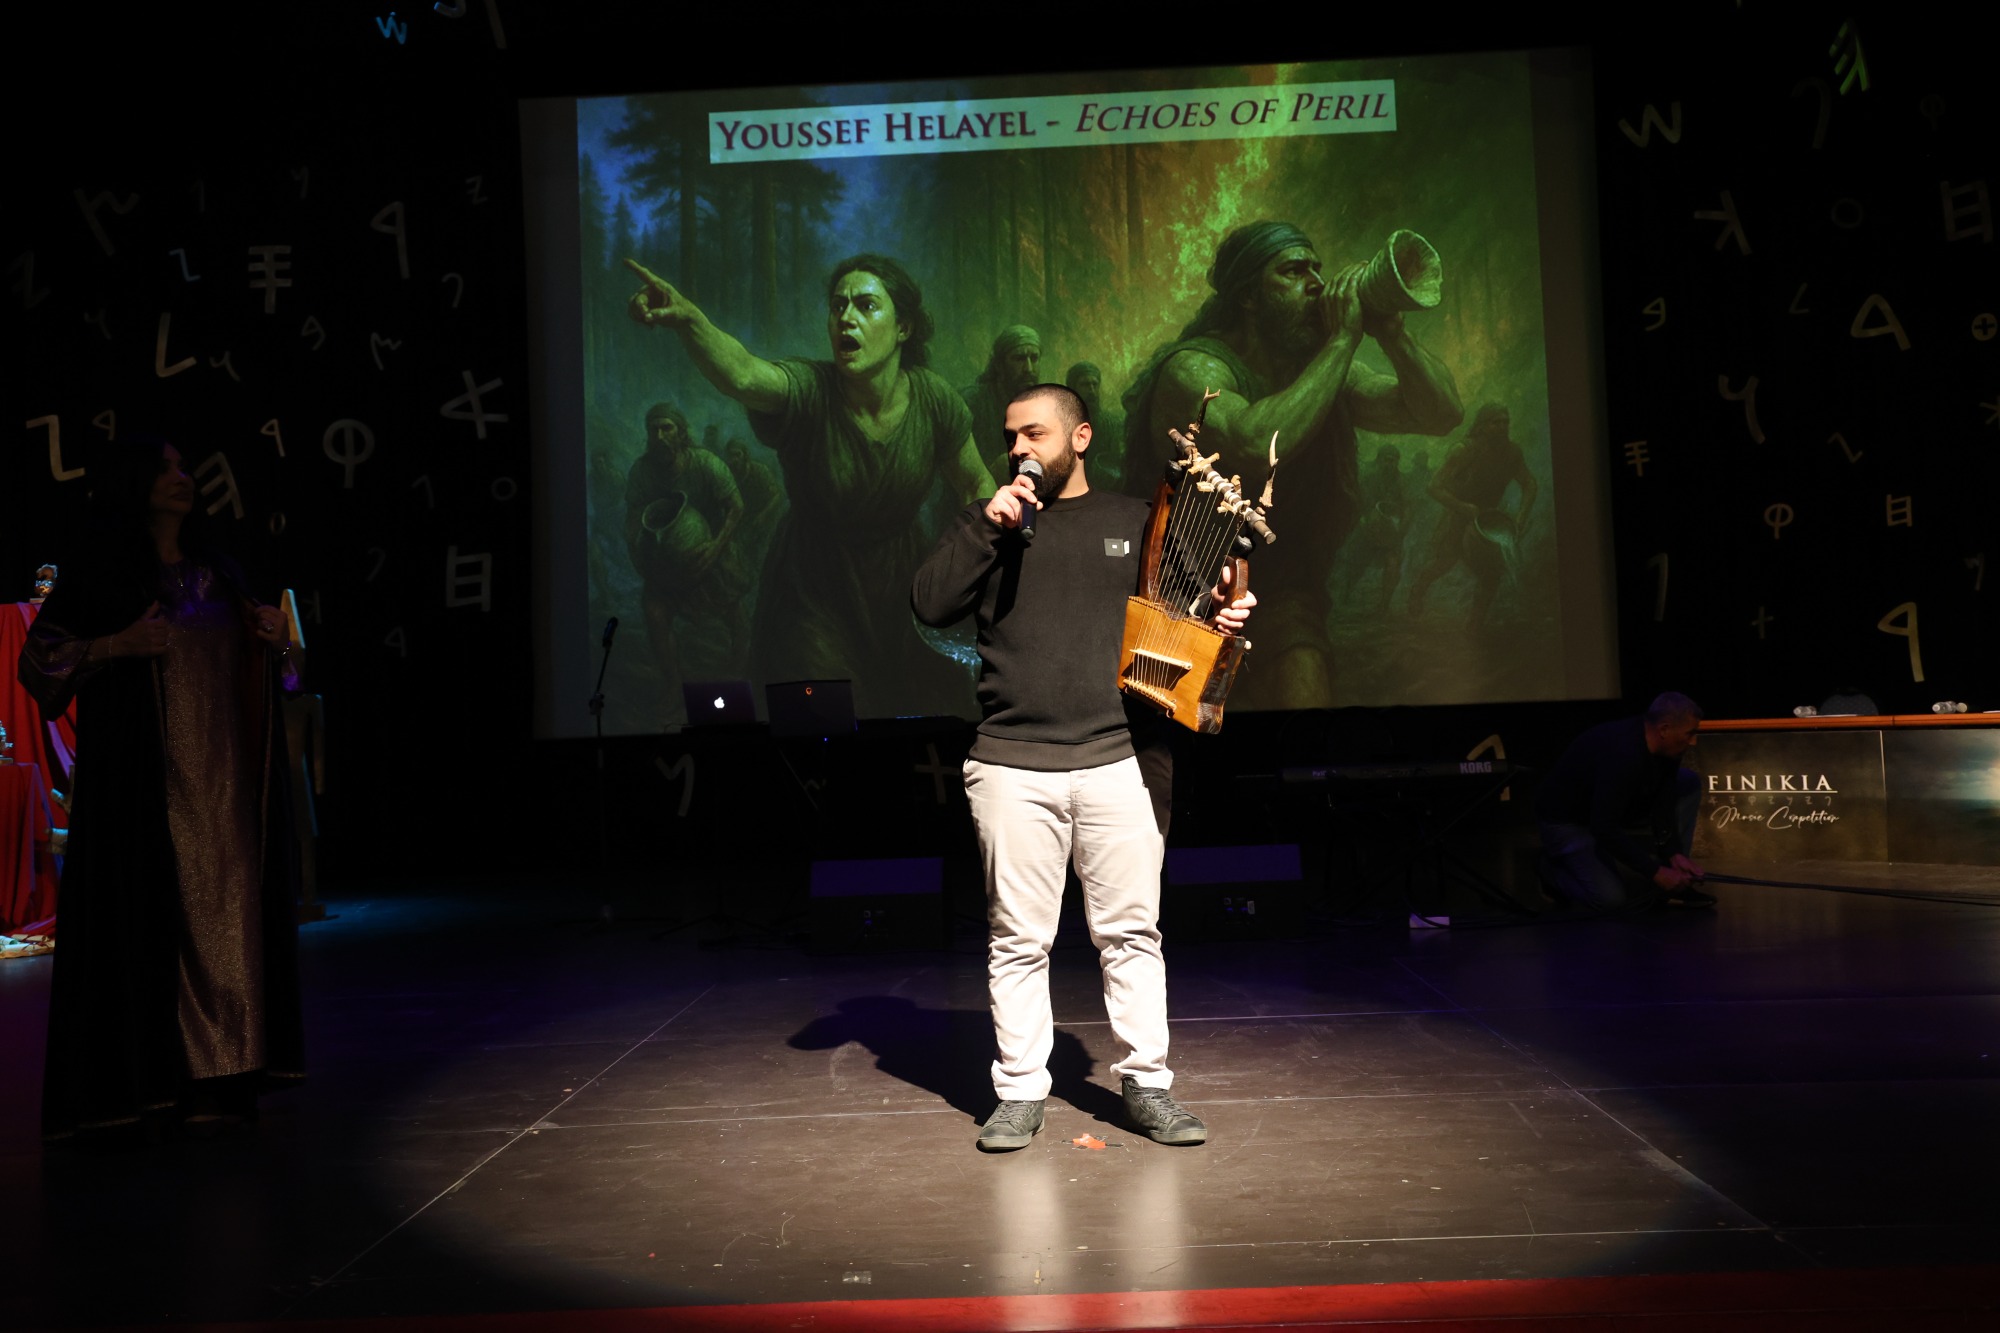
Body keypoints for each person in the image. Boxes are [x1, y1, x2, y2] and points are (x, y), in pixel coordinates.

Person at [912, 384, 1255, 1152]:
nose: (1019, 449)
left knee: (1132, 932)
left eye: (1034, 433)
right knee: (1017, 939)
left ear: (1081, 437)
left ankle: (1148, 1086)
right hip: (1011, 762)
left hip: (1117, 756)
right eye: (1011, 436)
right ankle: (1019, 1092)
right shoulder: (987, 521)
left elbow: (1195, 611)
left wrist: (1226, 614)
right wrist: (990, 526)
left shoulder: (1135, 519)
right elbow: (930, 604)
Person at [18, 438, 305, 1141]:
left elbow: (283, 674)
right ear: (136, 482)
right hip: (149, 793)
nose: (183, 477)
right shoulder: (107, 576)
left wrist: (275, 640)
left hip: (225, 792)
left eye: (183, 467)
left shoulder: (220, 574)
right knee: (154, 926)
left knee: (230, 928)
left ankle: (228, 1076)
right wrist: (114, 645)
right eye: (168, 467)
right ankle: (164, 1082)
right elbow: (39, 662)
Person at [627, 253, 991, 717]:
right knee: (823, 714)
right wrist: (688, 319)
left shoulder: (933, 398)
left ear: (903, 327)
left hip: (903, 583)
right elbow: (742, 373)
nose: (846, 318)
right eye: (838, 306)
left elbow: (975, 481)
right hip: (814, 586)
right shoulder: (810, 389)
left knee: (916, 705)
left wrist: (974, 558)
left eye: (865, 306)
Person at [1122, 221, 1461, 707]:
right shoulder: (1194, 368)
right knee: (1178, 731)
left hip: (1280, 584)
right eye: (1294, 271)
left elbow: (1441, 414)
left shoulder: (1316, 368)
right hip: (1182, 585)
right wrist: (1342, 341)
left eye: (1317, 269)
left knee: (1305, 701)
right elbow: (1256, 442)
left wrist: (1392, 332)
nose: (1317, 283)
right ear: (1249, 297)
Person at [1536, 692, 1714, 911]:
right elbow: (1603, 826)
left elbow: (1664, 800)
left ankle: (1676, 877)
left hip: (1608, 806)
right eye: (1690, 733)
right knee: (1610, 900)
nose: (1693, 741)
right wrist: (1654, 872)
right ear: (1664, 730)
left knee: (1687, 782)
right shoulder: (1622, 755)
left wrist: (1673, 853)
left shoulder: (1666, 749)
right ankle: (1551, 871)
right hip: (1568, 820)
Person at [620, 402, 750, 683]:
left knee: (733, 606)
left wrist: (715, 548)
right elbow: (632, 518)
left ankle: (742, 662)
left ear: (680, 433)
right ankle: (673, 684)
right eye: (653, 430)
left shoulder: (705, 463)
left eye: (667, 428)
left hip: (710, 549)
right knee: (655, 613)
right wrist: (639, 558)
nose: (660, 436)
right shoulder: (641, 471)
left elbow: (736, 506)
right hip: (665, 556)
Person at [1407, 404, 1538, 623]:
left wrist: (1520, 519)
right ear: (1482, 426)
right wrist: (1462, 507)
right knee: (1444, 563)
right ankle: (1417, 591)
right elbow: (1433, 487)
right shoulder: (1464, 450)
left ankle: (1474, 627)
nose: (1502, 426)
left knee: (1491, 576)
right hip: (1457, 517)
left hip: (1489, 522)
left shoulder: (1512, 453)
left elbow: (1530, 484)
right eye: (1496, 422)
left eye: (1505, 422)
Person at [962, 325, 1044, 474]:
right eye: (1019, 359)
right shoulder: (972, 402)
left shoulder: (1042, 409)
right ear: (1000, 365)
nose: (1029, 368)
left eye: (1034, 358)